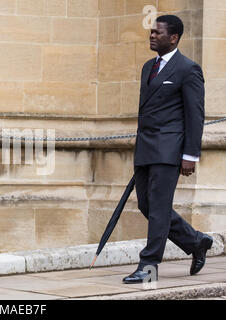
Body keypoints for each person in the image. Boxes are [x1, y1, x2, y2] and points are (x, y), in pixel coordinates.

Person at [123, 15, 213, 284]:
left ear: (173, 38)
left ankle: (148, 266)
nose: (152, 35)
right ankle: (196, 241)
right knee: (147, 205)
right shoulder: (148, 67)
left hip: (169, 150)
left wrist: (190, 154)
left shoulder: (188, 69)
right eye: (151, 31)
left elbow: (195, 115)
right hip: (146, 148)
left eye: (157, 32)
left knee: (160, 208)